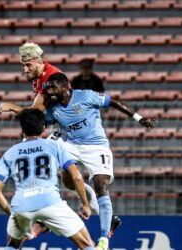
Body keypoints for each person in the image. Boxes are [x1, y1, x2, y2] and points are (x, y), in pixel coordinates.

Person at [0, 42, 121, 240]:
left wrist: (13, 107)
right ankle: (106, 218)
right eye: (23, 66)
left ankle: (38, 214)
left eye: (28, 65)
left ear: (39, 62)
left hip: (66, 129)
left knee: (33, 154)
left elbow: (35, 113)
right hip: (60, 127)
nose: (24, 70)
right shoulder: (39, 77)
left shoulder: (50, 76)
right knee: (64, 178)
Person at [42, 72, 157, 250]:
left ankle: (103, 239)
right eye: (48, 87)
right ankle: (108, 219)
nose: (49, 91)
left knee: (100, 186)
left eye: (53, 87)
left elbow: (113, 102)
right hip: (71, 145)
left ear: (66, 87)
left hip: (96, 146)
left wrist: (139, 118)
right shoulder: (52, 108)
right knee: (69, 182)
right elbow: (40, 122)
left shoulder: (86, 96)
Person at [0, 108, 97, 250]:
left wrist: (12, 214)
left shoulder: (10, 153)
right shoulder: (54, 146)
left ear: (22, 130)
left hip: (22, 206)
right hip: (51, 203)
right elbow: (77, 177)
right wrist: (85, 204)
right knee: (86, 243)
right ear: (43, 127)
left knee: (12, 245)